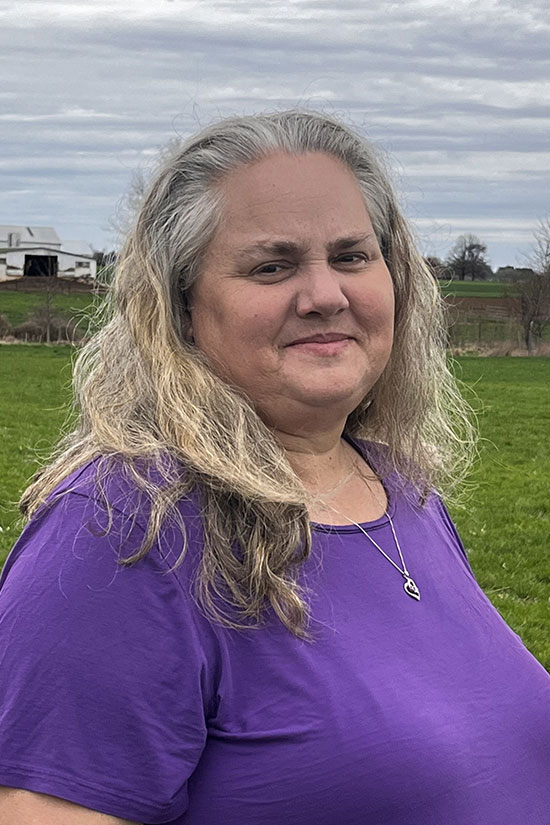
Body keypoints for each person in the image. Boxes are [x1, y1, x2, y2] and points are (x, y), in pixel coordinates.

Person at [0, 110, 549, 825]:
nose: (326, 295)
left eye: (352, 256)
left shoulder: (401, 491)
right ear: (180, 307)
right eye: (271, 265)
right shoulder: (124, 530)